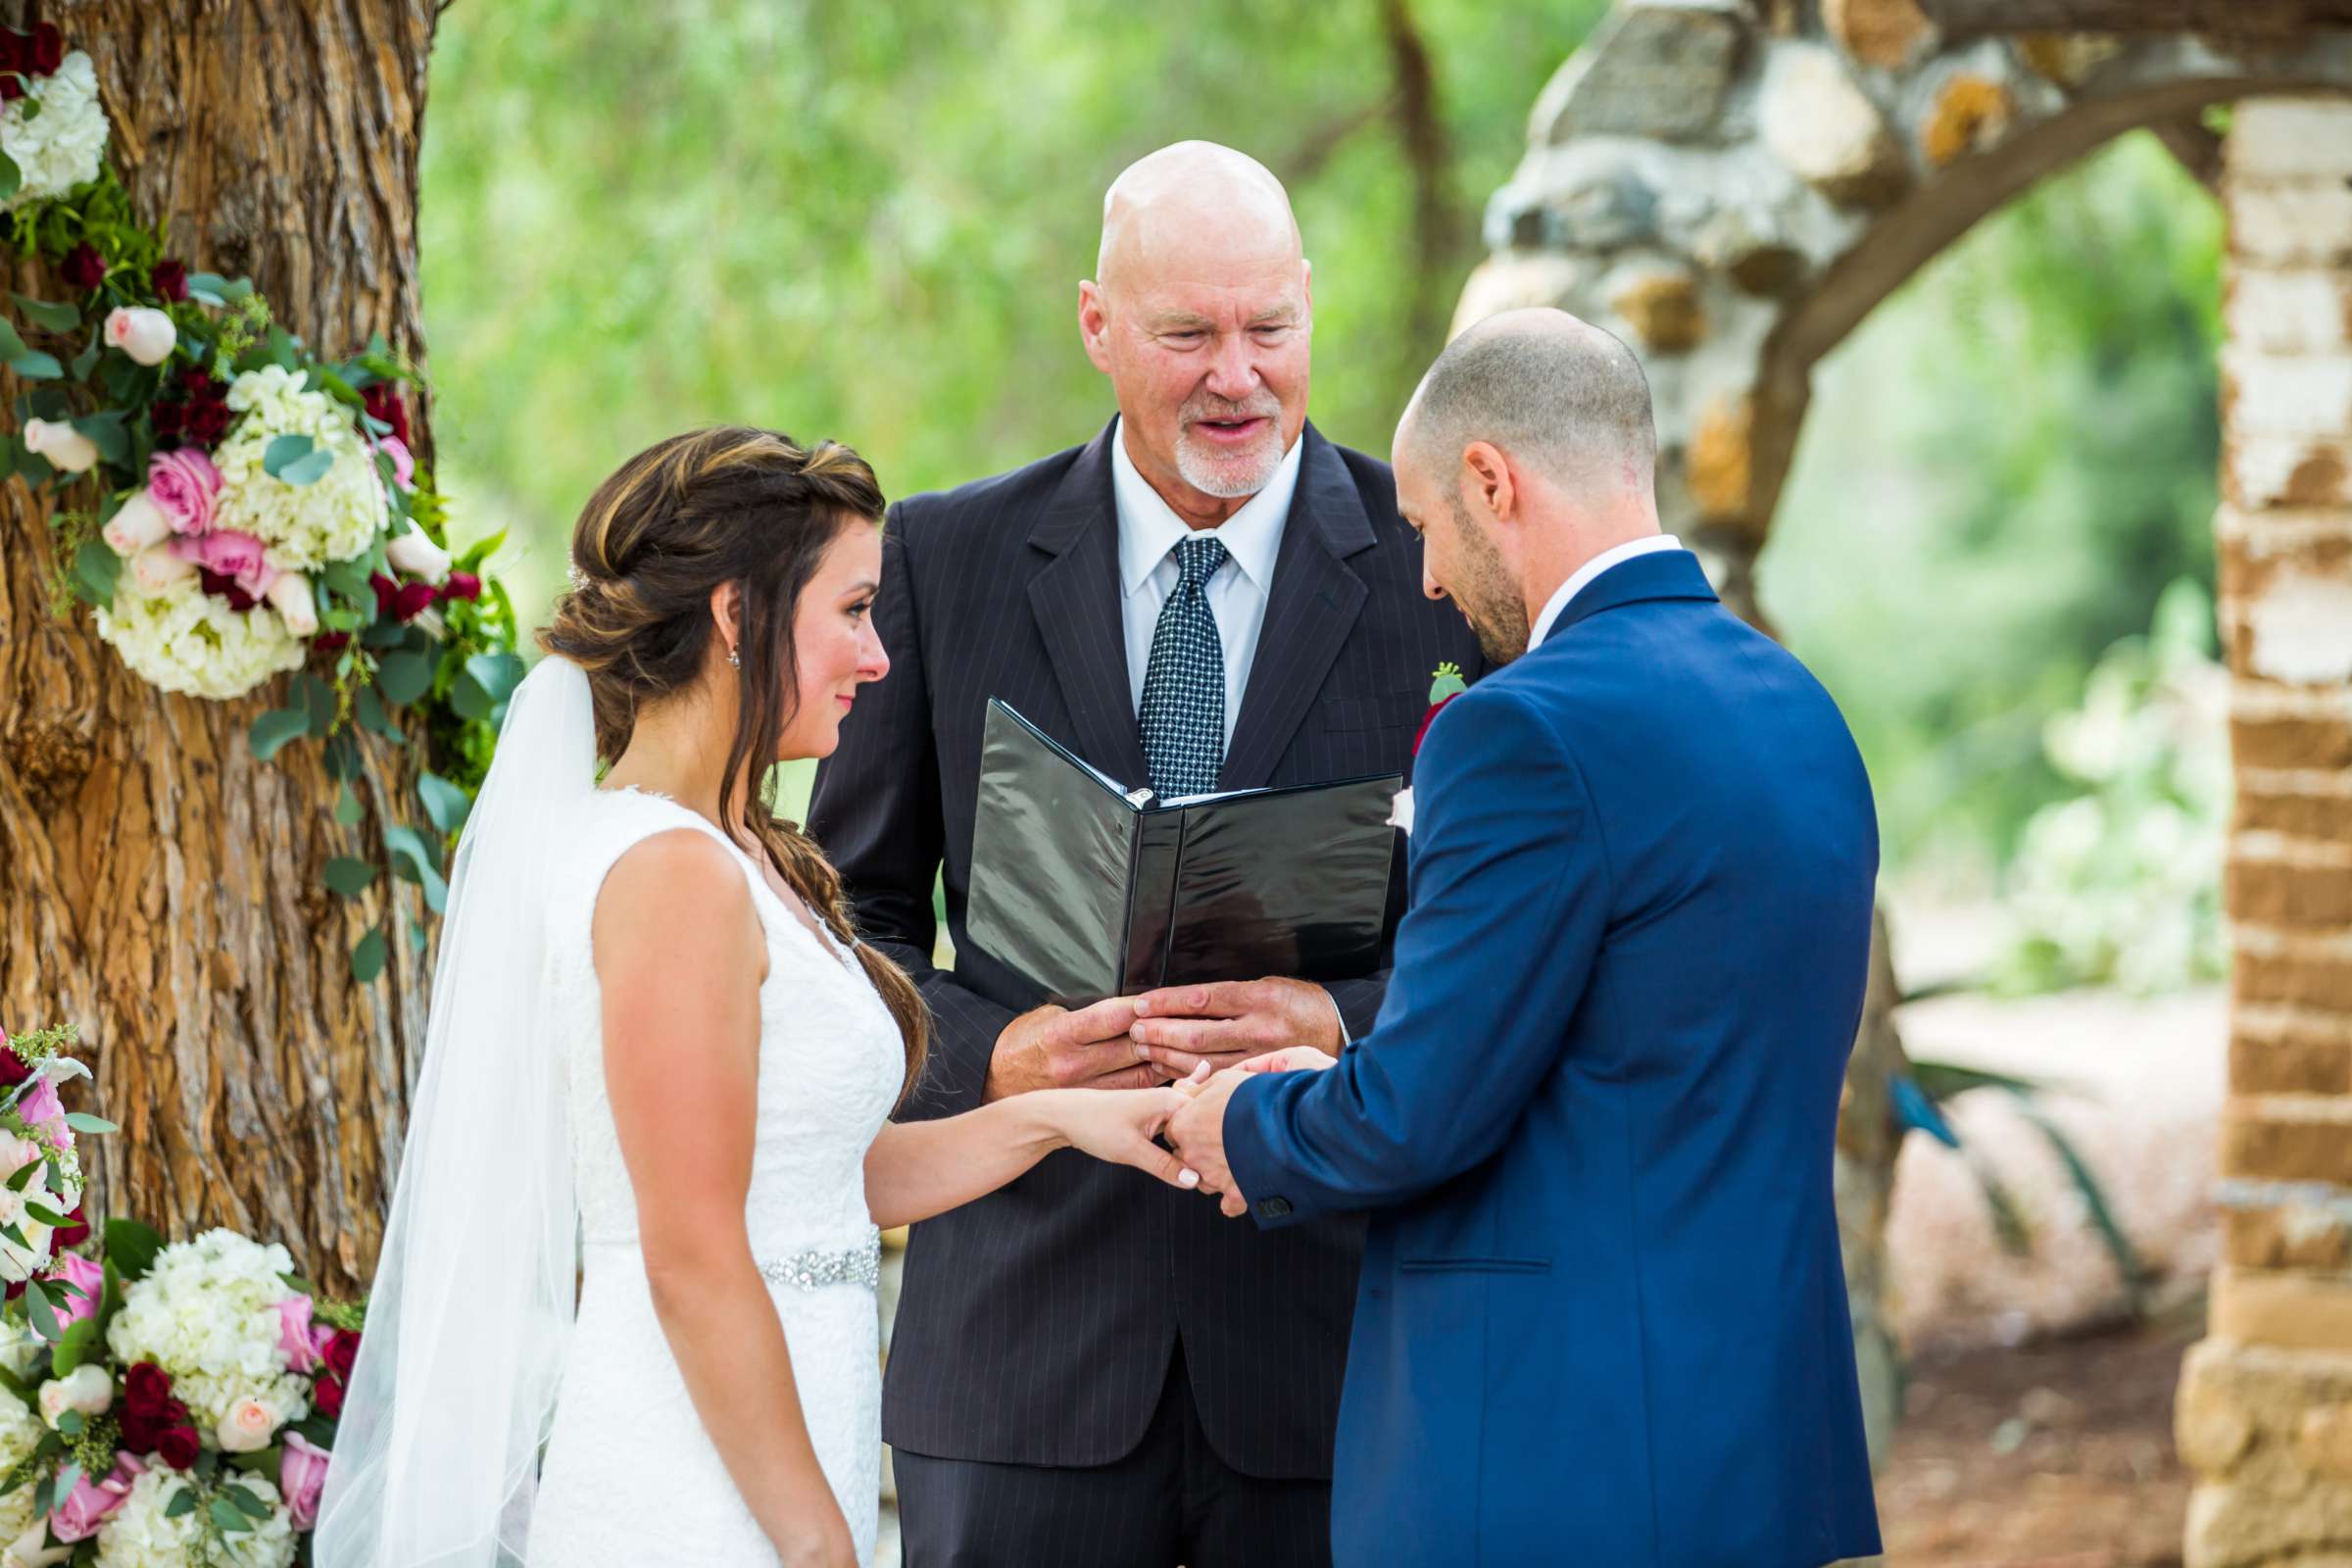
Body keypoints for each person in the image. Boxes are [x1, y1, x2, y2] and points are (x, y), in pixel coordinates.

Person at [315, 427, 1200, 1568]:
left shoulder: (746, 856)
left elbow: (820, 1175)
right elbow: (689, 1250)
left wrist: (1060, 1117)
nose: (878, 657)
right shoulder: (669, 874)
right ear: (738, 615)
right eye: (853, 611)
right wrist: (824, 1548)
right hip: (692, 1479)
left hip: (783, 1449)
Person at [806, 141, 1481, 1565]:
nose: (1237, 376)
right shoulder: (943, 559)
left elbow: (1510, 929)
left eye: (1268, 329)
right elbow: (845, 914)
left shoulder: (1445, 572)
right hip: (1019, 1355)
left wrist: (1337, 1022)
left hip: (1343, 1350)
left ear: (1309, 309)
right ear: (1098, 327)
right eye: (1187, 334)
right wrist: (993, 1055)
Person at [1165, 309, 1886, 1567]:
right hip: (1758, 1454)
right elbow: (1638, 1044)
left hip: (1550, 1466)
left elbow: (1416, 1114)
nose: (1431, 579)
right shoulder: (1799, 707)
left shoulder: (1522, 734)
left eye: (1428, 529)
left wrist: (1236, 1119)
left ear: (1492, 478)